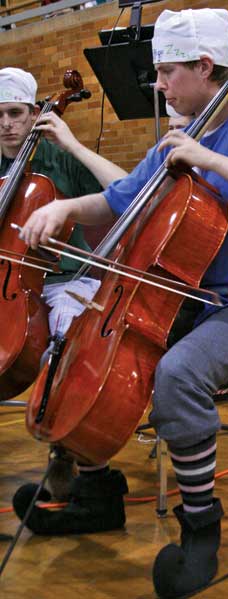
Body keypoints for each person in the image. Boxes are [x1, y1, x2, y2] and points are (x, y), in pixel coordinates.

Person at [12, 9, 228, 598]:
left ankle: (201, 525)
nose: (158, 84)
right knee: (75, 347)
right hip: (191, 302)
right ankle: (96, 490)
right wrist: (69, 209)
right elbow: (121, 199)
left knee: (177, 375)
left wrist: (209, 161)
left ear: (206, 68)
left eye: (167, 71)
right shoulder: (178, 139)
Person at [0, 66, 128, 501]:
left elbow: (126, 190)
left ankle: (67, 454)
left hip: (64, 280)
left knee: (67, 339)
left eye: (15, 113)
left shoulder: (59, 157)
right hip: (10, 285)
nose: (6, 124)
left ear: (34, 112)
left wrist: (71, 142)